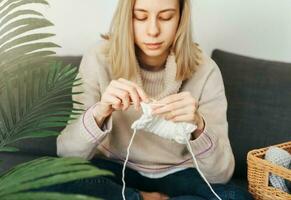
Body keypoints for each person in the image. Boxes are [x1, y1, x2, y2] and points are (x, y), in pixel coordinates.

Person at [54, 0, 253, 199]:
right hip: (115, 169)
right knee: (54, 178)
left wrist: (199, 125)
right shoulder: (99, 57)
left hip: (181, 174)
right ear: (127, 17)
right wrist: (100, 112)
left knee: (236, 197)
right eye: (140, 16)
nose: (153, 30)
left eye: (166, 17)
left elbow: (221, 175)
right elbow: (66, 153)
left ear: (180, 18)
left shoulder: (206, 70)